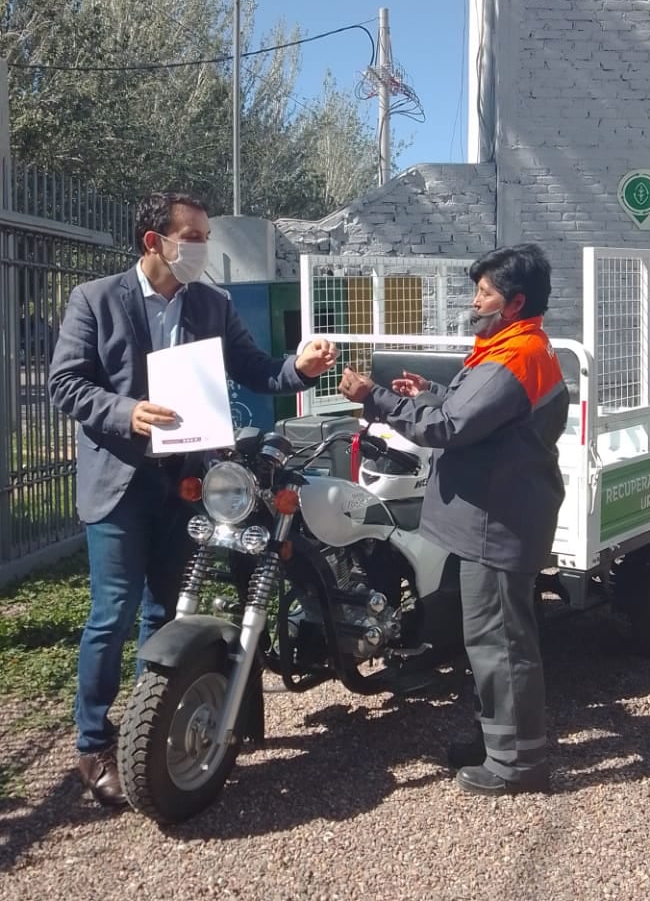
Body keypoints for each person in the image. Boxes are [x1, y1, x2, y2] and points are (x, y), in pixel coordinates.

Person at [48, 191, 338, 807]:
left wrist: (302, 370)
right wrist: (129, 412)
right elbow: (66, 383)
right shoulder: (96, 300)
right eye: (194, 236)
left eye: (204, 235)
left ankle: (149, 728)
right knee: (112, 613)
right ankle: (94, 742)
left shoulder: (211, 303)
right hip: (120, 483)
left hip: (185, 483)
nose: (203, 247)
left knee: (166, 610)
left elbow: (258, 370)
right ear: (155, 242)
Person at [339, 243, 568, 797]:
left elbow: (448, 429)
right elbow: (477, 416)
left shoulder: (515, 357)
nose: (474, 300)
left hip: (498, 522)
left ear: (513, 302)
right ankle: (498, 740)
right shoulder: (514, 347)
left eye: (484, 292)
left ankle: (516, 763)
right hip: (498, 516)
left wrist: (376, 399)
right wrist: (433, 393)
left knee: (500, 645)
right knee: (489, 641)